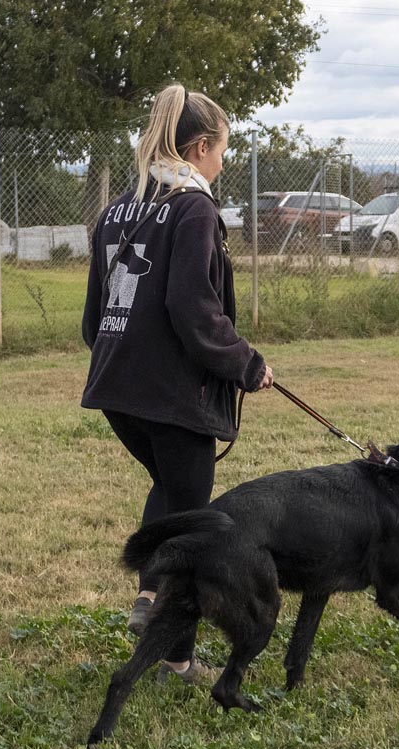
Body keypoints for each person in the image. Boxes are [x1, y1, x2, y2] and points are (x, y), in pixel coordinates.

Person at [81, 83, 273, 683]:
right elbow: (194, 308)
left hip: (117, 387)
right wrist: (246, 363)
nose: (223, 162)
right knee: (191, 525)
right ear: (198, 148)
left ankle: (148, 595)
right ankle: (176, 657)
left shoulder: (118, 209)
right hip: (171, 393)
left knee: (170, 490)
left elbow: (94, 319)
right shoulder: (194, 208)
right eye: (221, 150)